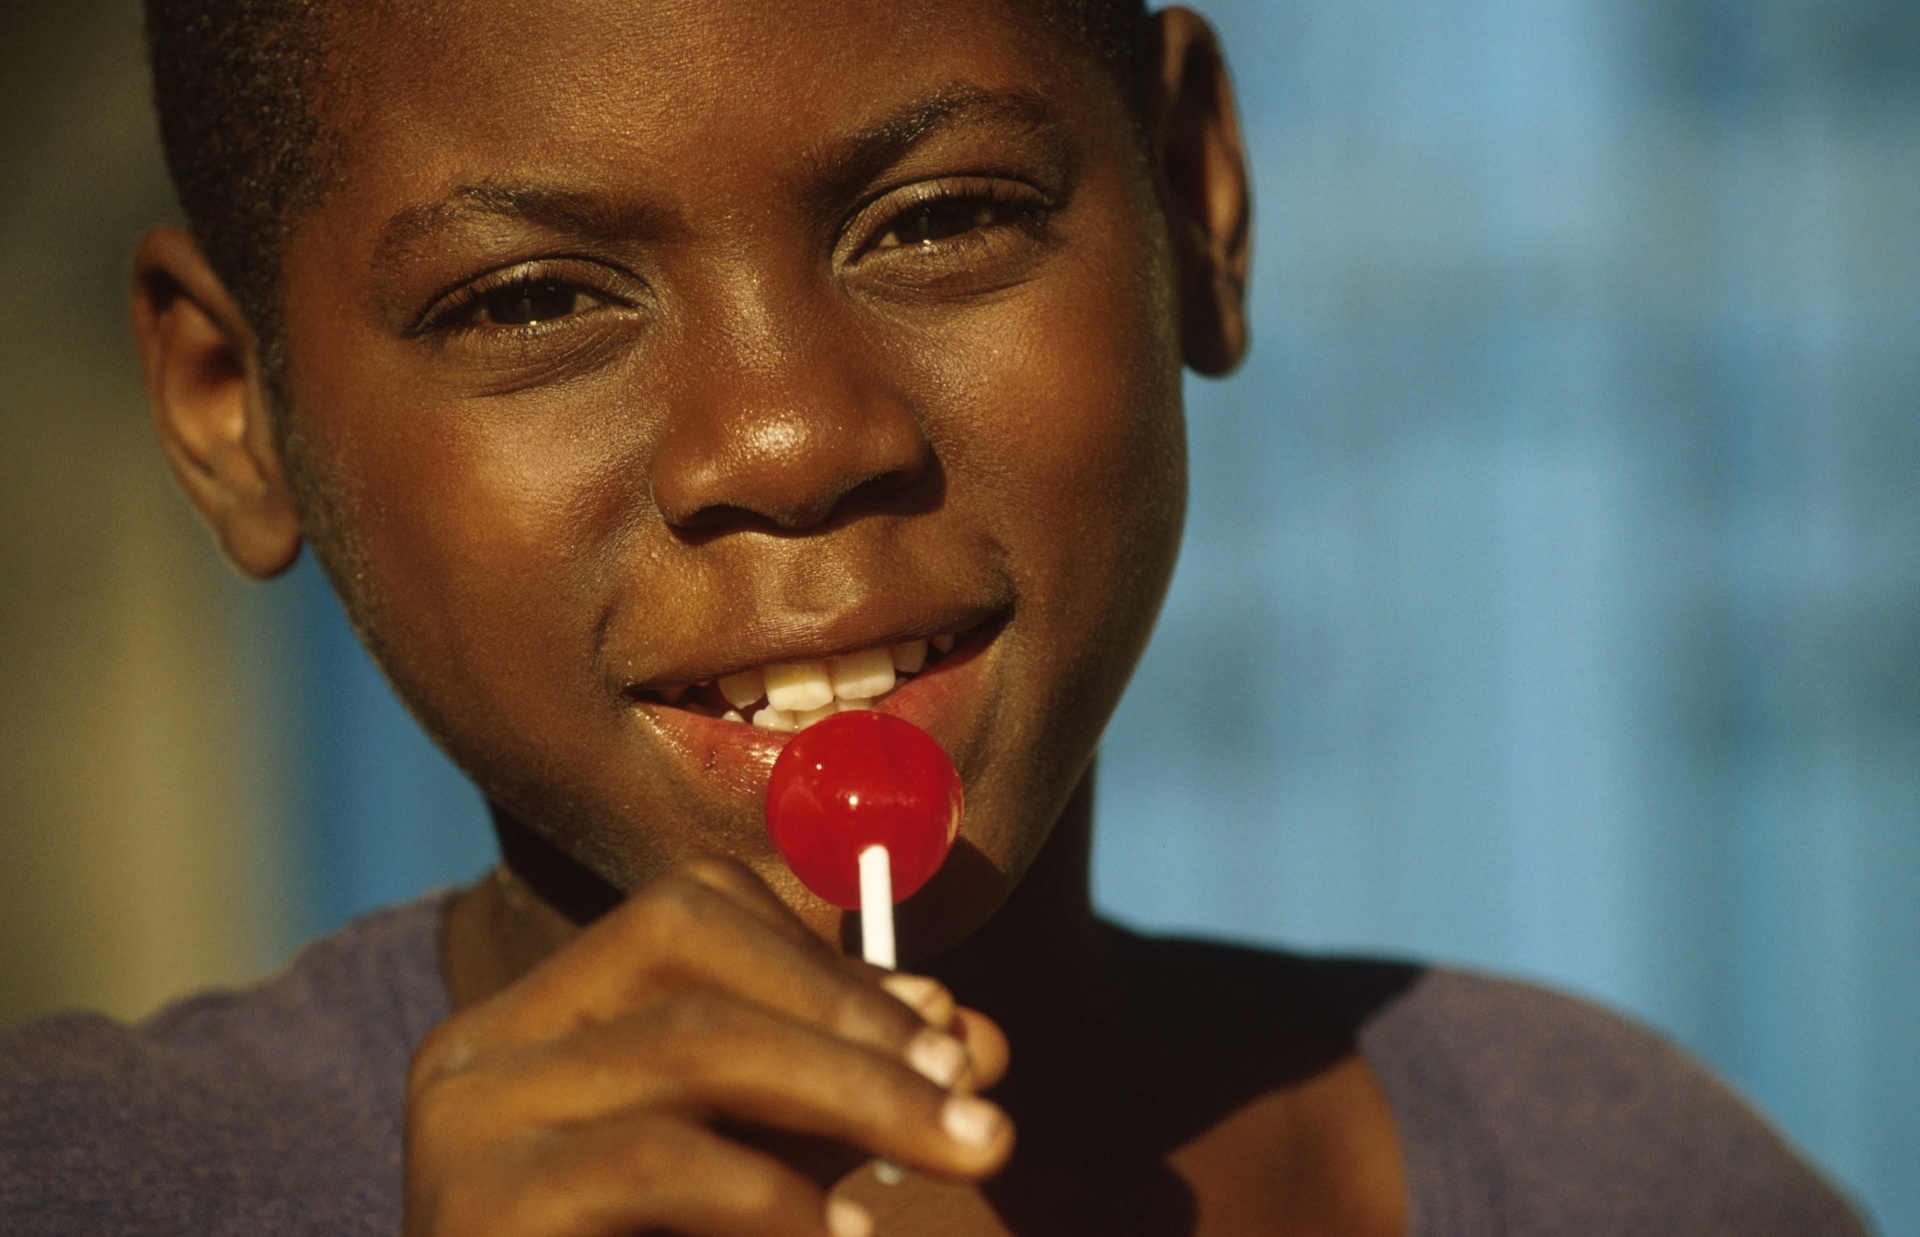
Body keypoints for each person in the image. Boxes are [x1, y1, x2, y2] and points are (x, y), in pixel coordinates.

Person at [0, 1, 1868, 1233]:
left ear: (1194, 199)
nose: (791, 436)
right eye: (530, 302)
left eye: (936, 218)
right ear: (234, 409)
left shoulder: (1610, 1176)